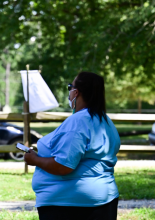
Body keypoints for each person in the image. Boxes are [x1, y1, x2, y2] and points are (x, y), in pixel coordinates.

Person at [24, 71, 120, 220]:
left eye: (70, 87)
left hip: (71, 205)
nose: (69, 92)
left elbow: (64, 166)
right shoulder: (106, 121)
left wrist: (35, 160)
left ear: (77, 92)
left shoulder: (78, 121)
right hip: (103, 198)